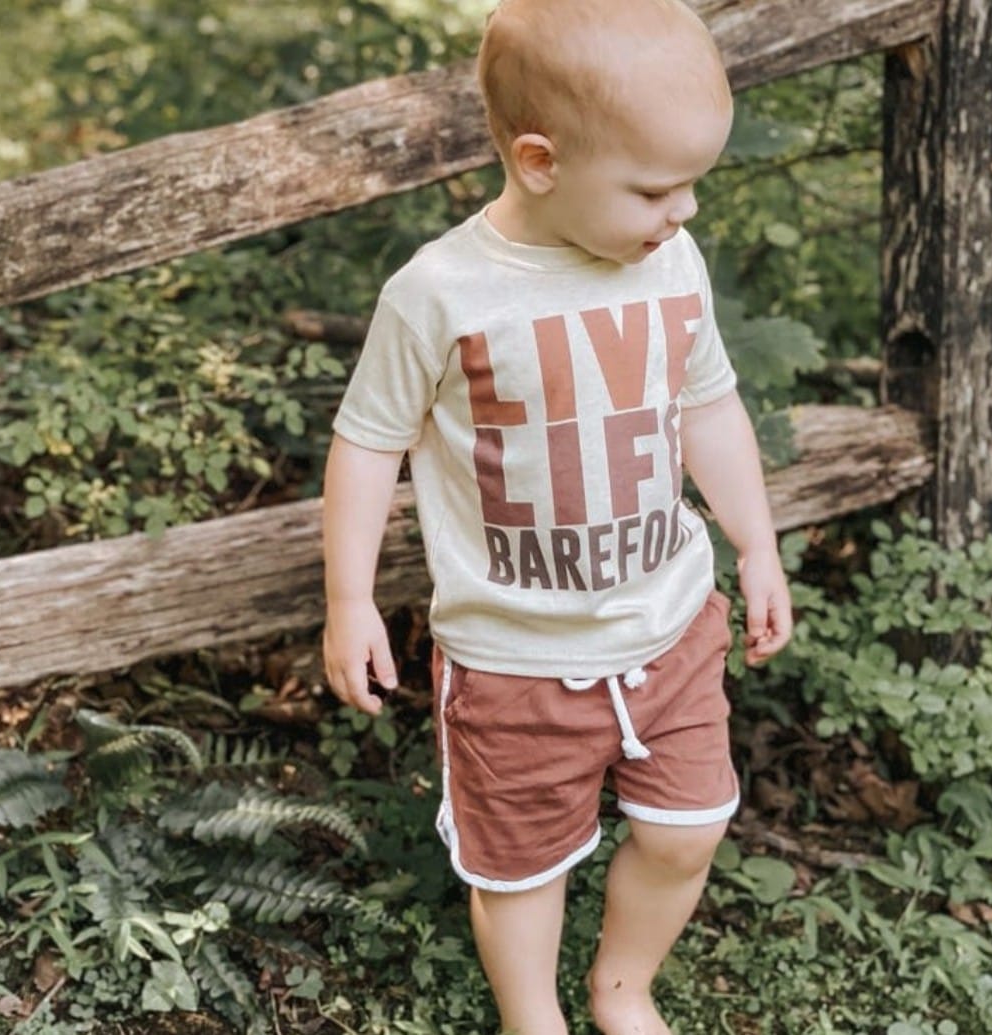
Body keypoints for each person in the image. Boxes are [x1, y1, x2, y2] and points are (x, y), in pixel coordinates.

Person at [322, 0, 793, 1031]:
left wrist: (756, 542)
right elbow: (367, 441)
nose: (687, 212)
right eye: (656, 188)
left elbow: (708, 403)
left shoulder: (670, 263)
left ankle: (623, 986)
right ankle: (531, 1017)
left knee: (687, 829)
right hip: (513, 663)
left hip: (668, 631)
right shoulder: (441, 293)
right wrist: (349, 598)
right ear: (540, 161)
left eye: (693, 185)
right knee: (521, 869)